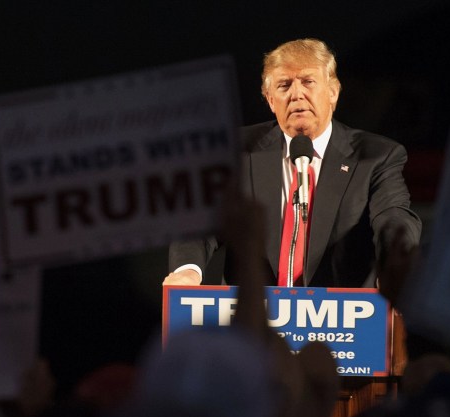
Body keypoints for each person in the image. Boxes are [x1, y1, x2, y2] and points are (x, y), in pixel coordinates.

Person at [164, 38, 422, 288]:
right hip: (253, 319)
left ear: (333, 92)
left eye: (308, 82)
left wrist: (392, 267)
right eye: (284, 85)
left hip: (340, 324)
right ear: (269, 99)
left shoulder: (376, 156)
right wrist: (187, 271)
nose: (297, 94)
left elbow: (393, 218)